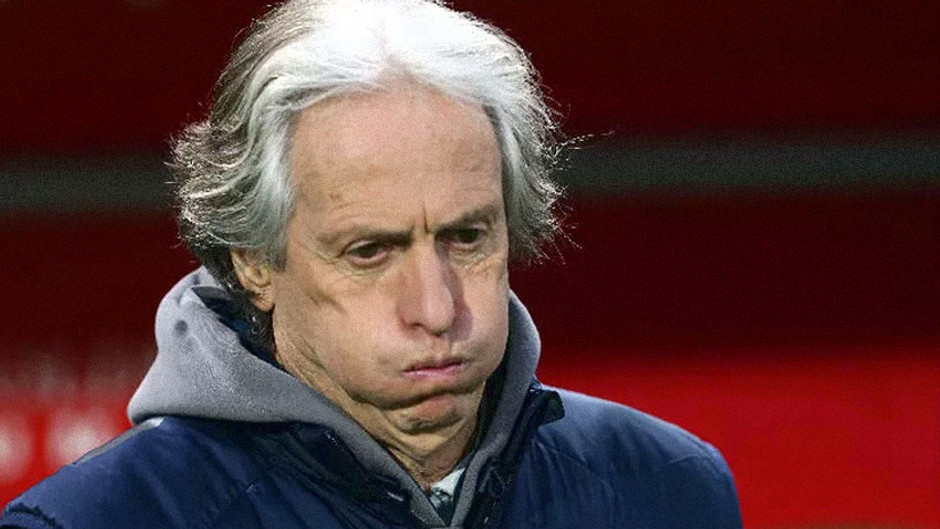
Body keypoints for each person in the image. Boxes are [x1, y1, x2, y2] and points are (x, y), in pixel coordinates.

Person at [1, 1, 743, 527]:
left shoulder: (670, 488)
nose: (437, 309)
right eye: (370, 251)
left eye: (466, 237)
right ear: (253, 260)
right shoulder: (96, 521)